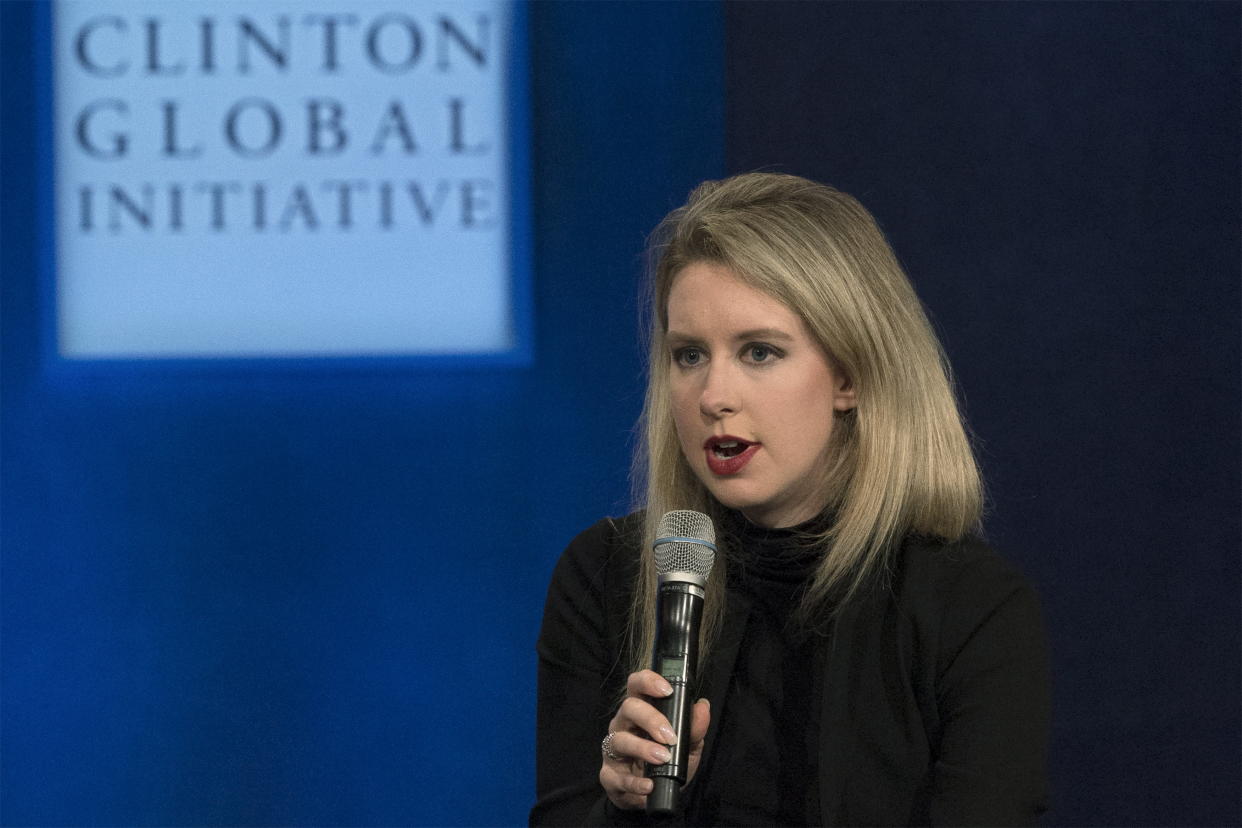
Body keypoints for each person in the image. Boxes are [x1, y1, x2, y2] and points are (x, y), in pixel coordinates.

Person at [531, 173, 1050, 826]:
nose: (714, 395)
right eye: (689, 355)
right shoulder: (606, 577)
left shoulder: (967, 606)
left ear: (849, 376)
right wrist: (624, 809)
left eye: (758, 352)